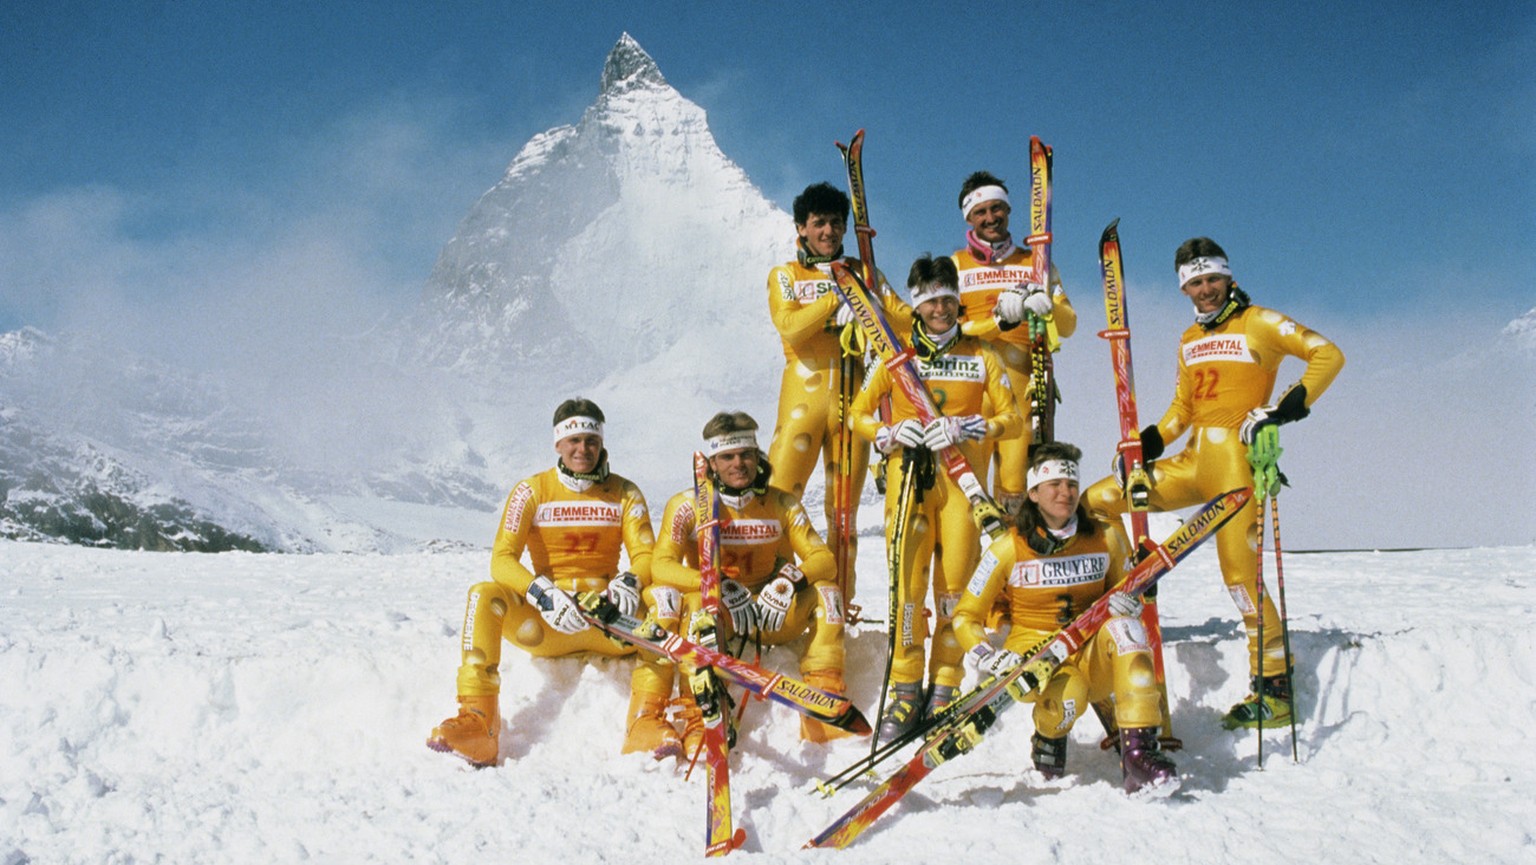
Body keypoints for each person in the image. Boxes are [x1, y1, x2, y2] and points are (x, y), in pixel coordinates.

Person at [1082, 237, 1345, 729]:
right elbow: (1183, 409)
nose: (1205, 290)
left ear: (1228, 277)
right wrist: (1150, 441)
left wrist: (1283, 408)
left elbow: (1327, 354)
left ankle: (1274, 686)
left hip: (1234, 467)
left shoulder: (1260, 322)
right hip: (1192, 459)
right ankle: (1120, 590)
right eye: (1195, 283)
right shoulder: (1188, 339)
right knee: (1096, 500)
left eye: (1211, 279)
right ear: (1185, 288)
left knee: (1241, 578)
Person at [427, 398, 675, 766]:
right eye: (573, 440)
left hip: (610, 624)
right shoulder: (531, 490)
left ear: (602, 443)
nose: (583, 449)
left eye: (591, 440)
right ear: (558, 443)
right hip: (547, 625)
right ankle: (478, 721)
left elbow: (646, 555)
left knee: (668, 596)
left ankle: (646, 721)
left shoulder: (625, 492)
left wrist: (630, 582)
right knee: (484, 595)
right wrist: (542, 593)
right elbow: (502, 559)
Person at [850, 254, 1022, 739]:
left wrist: (974, 424)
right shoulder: (896, 355)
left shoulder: (981, 355)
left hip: (962, 486)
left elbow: (1013, 419)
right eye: (931, 301)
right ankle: (905, 691)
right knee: (906, 592)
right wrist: (889, 431)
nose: (941, 309)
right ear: (918, 305)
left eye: (948, 298)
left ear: (957, 299)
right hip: (910, 482)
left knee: (953, 592)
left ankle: (945, 684)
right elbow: (858, 415)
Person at [952, 442, 1177, 793]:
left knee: (1128, 631)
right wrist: (989, 655)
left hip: (1089, 649)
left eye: (1071, 484)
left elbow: (1126, 589)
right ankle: (1048, 733)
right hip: (1037, 658)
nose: (1065, 492)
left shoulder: (1106, 537)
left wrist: (1135, 598)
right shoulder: (1007, 548)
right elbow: (966, 616)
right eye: (1054, 484)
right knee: (1068, 699)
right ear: (1034, 492)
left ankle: (1139, 755)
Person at [651, 410, 857, 745]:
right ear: (712, 463)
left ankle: (824, 699)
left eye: (746, 455)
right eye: (727, 457)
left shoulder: (781, 503)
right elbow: (661, 566)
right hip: (723, 615)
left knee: (828, 595)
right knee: (694, 608)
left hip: (769, 611)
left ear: (757, 457)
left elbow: (824, 560)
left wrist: (788, 582)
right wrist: (717, 584)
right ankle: (699, 716)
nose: (739, 464)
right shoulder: (686, 505)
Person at [766, 182, 913, 605]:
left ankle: (840, 601)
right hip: (802, 397)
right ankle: (777, 592)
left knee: (844, 514)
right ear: (802, 229)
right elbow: (790, 325)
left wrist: (884, 305)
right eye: (819, 223)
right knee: (780, 498)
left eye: (835, 222)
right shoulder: (786, 275)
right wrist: (838, 296)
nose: (828, 231)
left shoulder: (865, 273)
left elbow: (903, 322)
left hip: (853, 400)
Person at [949, 171, 1078, 515]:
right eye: (981, 212)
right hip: (971, 387)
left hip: (1023, 387)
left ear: (1007, 209)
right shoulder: (955, 266)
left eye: (997, 208)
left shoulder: (1036, 264)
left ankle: (1015, 565)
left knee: (1015, 493)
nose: (990, 218)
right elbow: (946, 332)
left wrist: (1048, 304)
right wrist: (997, 322)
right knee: (967, 500)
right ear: (969, 217)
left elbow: (1069, 326)